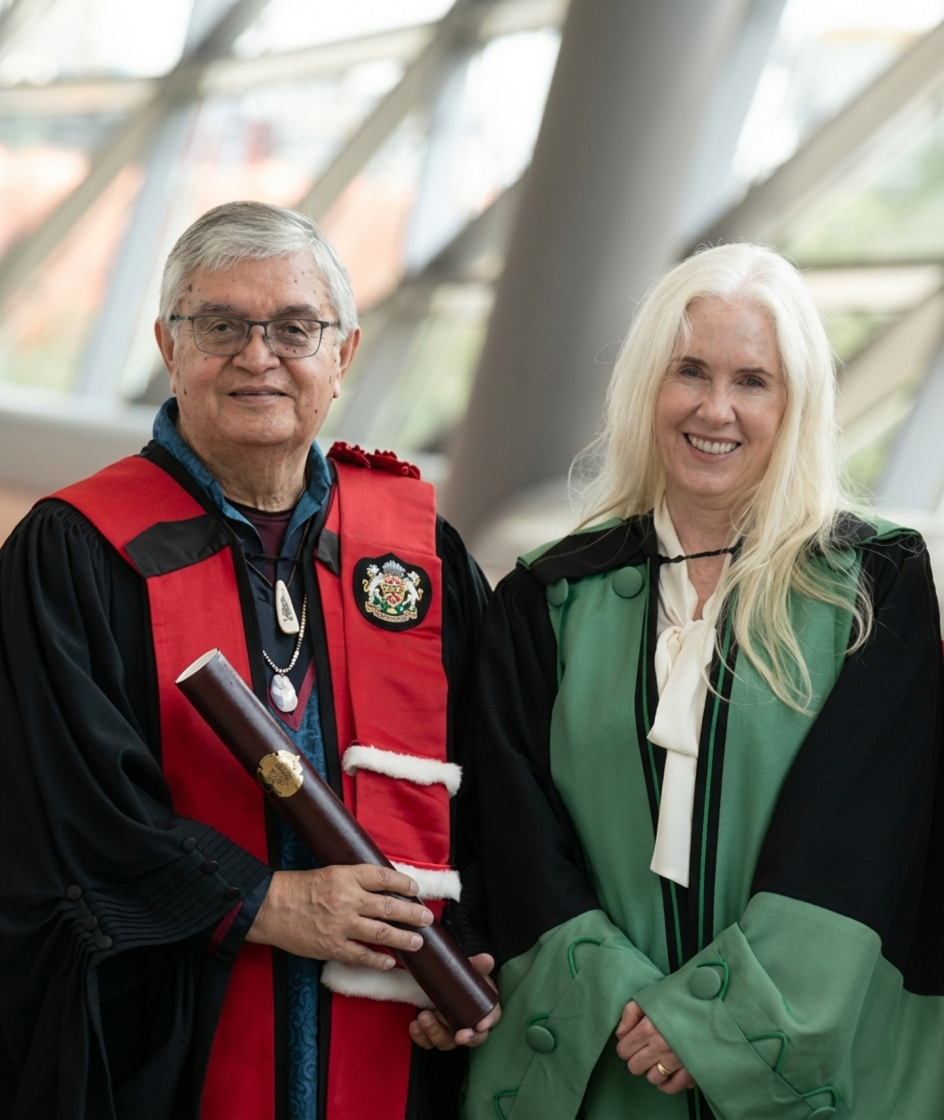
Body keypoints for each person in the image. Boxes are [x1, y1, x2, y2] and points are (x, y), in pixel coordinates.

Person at [0, 200, 499, 1120]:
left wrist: (470, 943)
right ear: (169, 346)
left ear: (343, 355)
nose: (257, 354)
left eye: (295, 327)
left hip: (387, 1035)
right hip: (172, 1035)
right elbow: (54, 802)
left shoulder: (418, 554)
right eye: (221, 325)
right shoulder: (75, 551)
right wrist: (263, 901)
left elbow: (498, 778)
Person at [463, 243, 944, 1119]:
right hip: (606, 1055)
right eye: (690, 371)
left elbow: (864, 831)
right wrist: (621, 998)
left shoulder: (875, 583)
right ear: (648, 383)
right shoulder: (545, 597)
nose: (715, 409)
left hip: (811, 1065)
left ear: (795, 401)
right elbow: (514, 829)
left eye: (752, 380)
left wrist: (719, 1020)